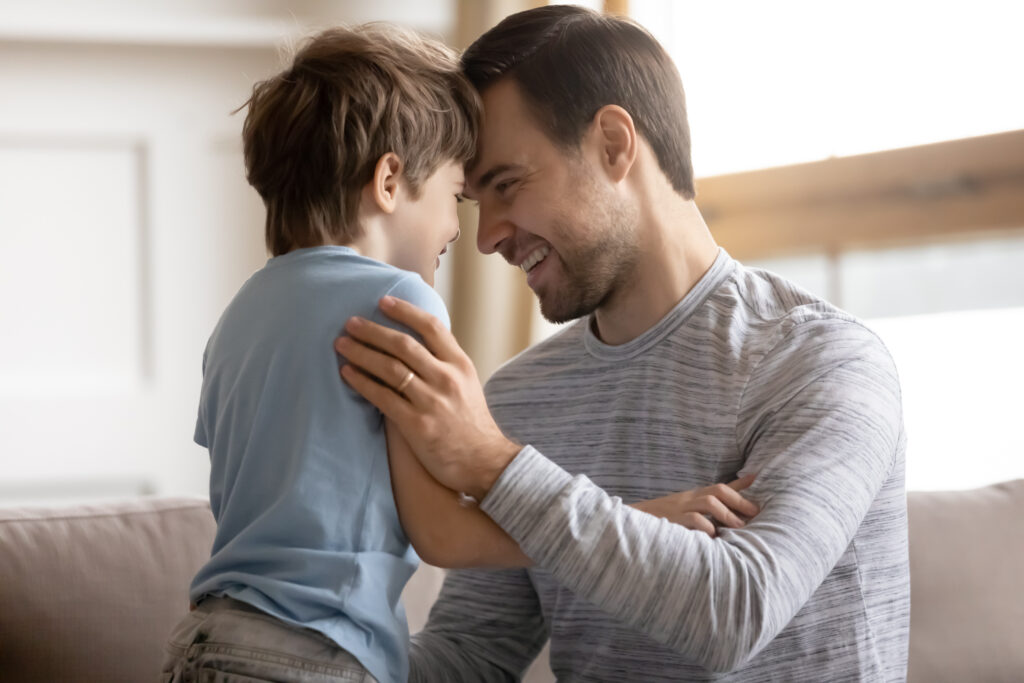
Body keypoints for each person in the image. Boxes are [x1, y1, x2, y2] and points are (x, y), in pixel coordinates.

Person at [162, 21, 759, 683]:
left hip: (205, 639)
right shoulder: (396, 300)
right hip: (312, 657)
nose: (462, 232)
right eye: (457, 196)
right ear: (389, 181)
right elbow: (441, 534)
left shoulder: (239, 316)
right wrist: (644, 516)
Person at [335, 5, 910, 681]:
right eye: (473, 202)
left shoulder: (821, 362)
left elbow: (736, 611)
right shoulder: (522, 397)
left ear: (613, 144)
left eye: (508, 184)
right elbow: (471, 654)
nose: (486, 236)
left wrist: (491, 463)